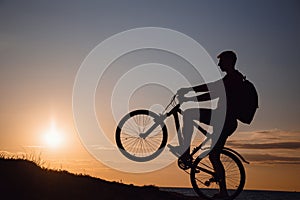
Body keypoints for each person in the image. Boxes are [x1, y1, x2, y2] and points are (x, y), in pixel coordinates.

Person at [170, 50, 244, 198]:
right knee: (214, 156)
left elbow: (212, 92)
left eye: (221, 61)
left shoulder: (233, 79)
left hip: (224, 120)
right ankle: (223, 192)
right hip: (222, 119)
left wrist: (190, 97)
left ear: (229, 61)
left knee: (191, 114)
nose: (219, 64)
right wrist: (189, 91)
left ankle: (185, 151)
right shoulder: (230, 78)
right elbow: (210, 87)